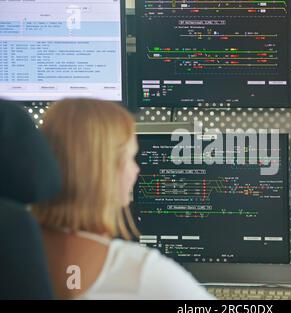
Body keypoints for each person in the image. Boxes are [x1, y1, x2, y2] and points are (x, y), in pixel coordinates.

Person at [32, 99, 214, 300]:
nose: (136, 170)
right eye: (130, 158)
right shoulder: (143, 273)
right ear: (103, 171)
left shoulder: (10, 254)